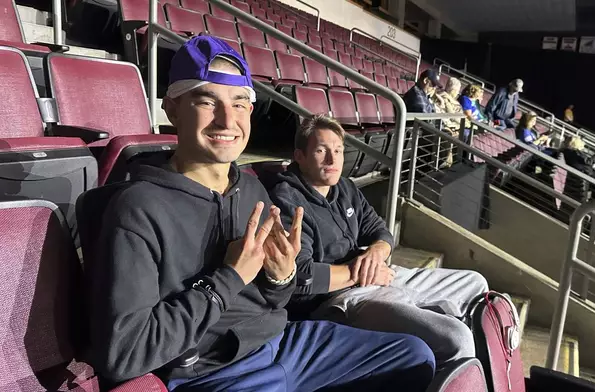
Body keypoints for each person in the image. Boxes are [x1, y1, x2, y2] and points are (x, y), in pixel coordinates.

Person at [87, 36, 436, 391]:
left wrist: (279, 278)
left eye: (239, 104)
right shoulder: (138, 208)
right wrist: (228, 278)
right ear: (172, 108)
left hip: (285, 345)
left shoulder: (250, 188)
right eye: (207, 101)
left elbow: (273, 300)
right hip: (215, 372)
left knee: (415, 356)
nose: (227, 120)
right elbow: (124, 353)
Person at [270, 114, 489, 370]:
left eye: (338, 151)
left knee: (475, 283)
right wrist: (363, 273)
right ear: (300, 156)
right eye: (321, 150)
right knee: (455, 337)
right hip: (338, 300)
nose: (332, 160)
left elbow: (381, 232)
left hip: (375, 276)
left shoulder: (345, 187)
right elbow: (301, 277)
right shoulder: (287, 201)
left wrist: (375, 253)